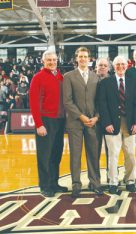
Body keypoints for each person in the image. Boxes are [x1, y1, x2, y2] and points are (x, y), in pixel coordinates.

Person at [63, 46, 103, 198]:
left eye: (85, 56)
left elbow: (100, 100)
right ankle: (76, 184)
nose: (83, 59)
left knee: (93, 154)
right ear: (76, 58)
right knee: (75, 155)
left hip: (93, 122)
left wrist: (97, 117)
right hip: (75, 122)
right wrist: (81, 116)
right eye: (80, 56)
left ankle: (95, 182)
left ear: (89, 59)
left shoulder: (96, 77)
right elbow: (67, 101)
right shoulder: (69, 76)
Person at [99, 55, 136, 194]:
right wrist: (106, 123)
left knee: (130, 154)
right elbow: (102, 105)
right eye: (118, 65)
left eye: (123, 64)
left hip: (129, 124)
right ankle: (113, 182)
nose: (120, 67)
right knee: (113, 154)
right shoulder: (106, 83)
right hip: (112, 124)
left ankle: (130, 180)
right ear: (113, 67)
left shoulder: (133, 82)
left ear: (127, 66)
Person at [29, 50, 67, 197]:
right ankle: (44, 185)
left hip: (60, 120)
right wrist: (39, 124)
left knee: (56, 154)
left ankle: (54, 183)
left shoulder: (60, 76)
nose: (52, 62)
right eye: (49, 60)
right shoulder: (37, 78)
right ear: (43, 61)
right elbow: (33, 102)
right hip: (46, 121)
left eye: (54, 60)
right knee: (44, 155)